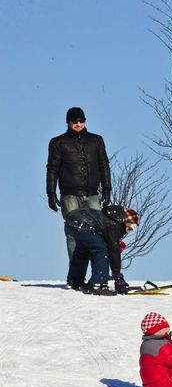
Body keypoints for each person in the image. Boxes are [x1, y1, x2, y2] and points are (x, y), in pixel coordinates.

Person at [46, 107, 112, 259]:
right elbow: (52, 168)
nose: (78, 124)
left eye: (81, 121)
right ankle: (76, 276)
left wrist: (107, 189)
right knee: (73, 234)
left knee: (99, 232)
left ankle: (100, 274)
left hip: (92, 194)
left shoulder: (96, 140)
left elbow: (104, 165)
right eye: (75, 121)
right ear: (68, 122)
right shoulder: (58, 142)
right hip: (70, 195)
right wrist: (51, 193)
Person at [64, 205, 138, 295]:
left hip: (72, 221)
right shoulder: (114, 224)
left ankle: (74, 281)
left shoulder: (112, 218)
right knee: (101, 249)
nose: (128, 231)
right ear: (126, 221)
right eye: (130, 228)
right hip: (83, 224)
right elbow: (113, 250)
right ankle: (98, 284)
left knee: (82, 250)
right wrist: (117, 275)